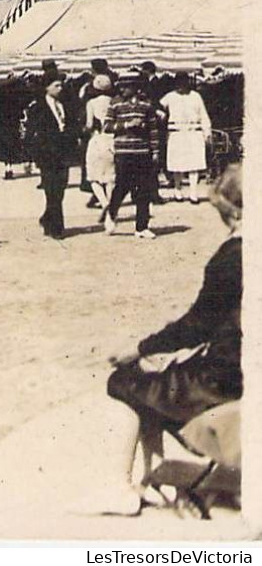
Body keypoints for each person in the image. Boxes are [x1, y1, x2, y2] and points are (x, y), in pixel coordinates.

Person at [97, 162, 241, 516]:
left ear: (235, 210)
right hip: (241, 362)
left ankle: (120, 487)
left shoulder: (233, 255)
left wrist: (139, 349)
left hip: (225, 378)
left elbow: (197, 325)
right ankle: (152, 481)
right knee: (155, 375)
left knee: (125, 380)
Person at [104, 76, 160, 239]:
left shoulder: (146, 105)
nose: (122, 89)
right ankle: (111, 214)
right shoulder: (115, 103)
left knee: (144, 189)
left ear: (135, 87)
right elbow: (106, 126)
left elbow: (153, 130)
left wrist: (155, 151)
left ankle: (141, 227)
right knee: (121, 187)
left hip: (143, 152)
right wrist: (127, 125)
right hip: (123, 152)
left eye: (126, 86)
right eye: (121, 87)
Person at [23, 75, 74, 241]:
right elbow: (31, 131)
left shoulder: (64, 105)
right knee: (52, 190)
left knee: (60, 188)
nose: (61, 88)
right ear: (47, 88)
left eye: (61, 85)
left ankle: (47, 218)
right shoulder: (37, 107)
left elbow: (71, 126)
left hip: (63, 152)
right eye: (57, 85)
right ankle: (56, 228)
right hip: (46, 153)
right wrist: (31, 154)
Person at [163, 74, 212, 202]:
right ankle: (178, 191)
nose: (181, 87)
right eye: (178, 84)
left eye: (183, 83)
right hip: (176, 132)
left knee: (194, 164)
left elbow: (203, 115)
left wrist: (207, 133)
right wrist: (161, 114)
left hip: (193, 132)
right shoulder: (170, 96)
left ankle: (193, 193)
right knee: (177, 164)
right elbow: (156, 107)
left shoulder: (196, 96)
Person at [83, 76, 117, 214]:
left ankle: (104, 203)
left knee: (93, 176)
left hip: (97, 139)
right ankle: (110, 202)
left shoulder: (91, 103)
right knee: (110, 177)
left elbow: (89, 124)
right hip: (112, 140)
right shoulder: (114, 102)